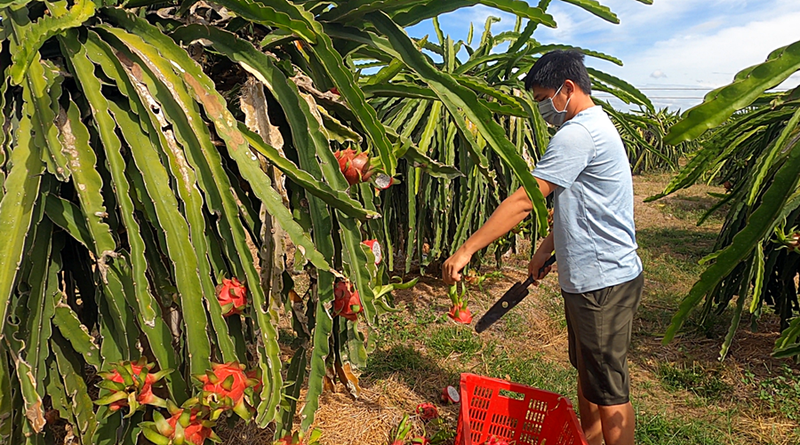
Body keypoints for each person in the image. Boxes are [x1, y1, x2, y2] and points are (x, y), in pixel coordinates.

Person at [442, 50, 643, 445]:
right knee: (589, 378)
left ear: (567, 89)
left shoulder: (579, 133)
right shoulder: (594, 126)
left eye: (541, 99)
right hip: (588, 278)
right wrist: (545, 250)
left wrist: (467, 249)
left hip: (603, 281)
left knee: (609, 389)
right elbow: (580, 203)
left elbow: (525, 199)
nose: (542, 110)